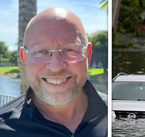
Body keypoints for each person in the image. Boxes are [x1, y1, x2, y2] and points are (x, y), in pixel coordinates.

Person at [0, 8, 107, 137]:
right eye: (40, 51)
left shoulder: (114, 112)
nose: (56, 67)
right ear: (24, 59)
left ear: (88, 55)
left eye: (69, 49)